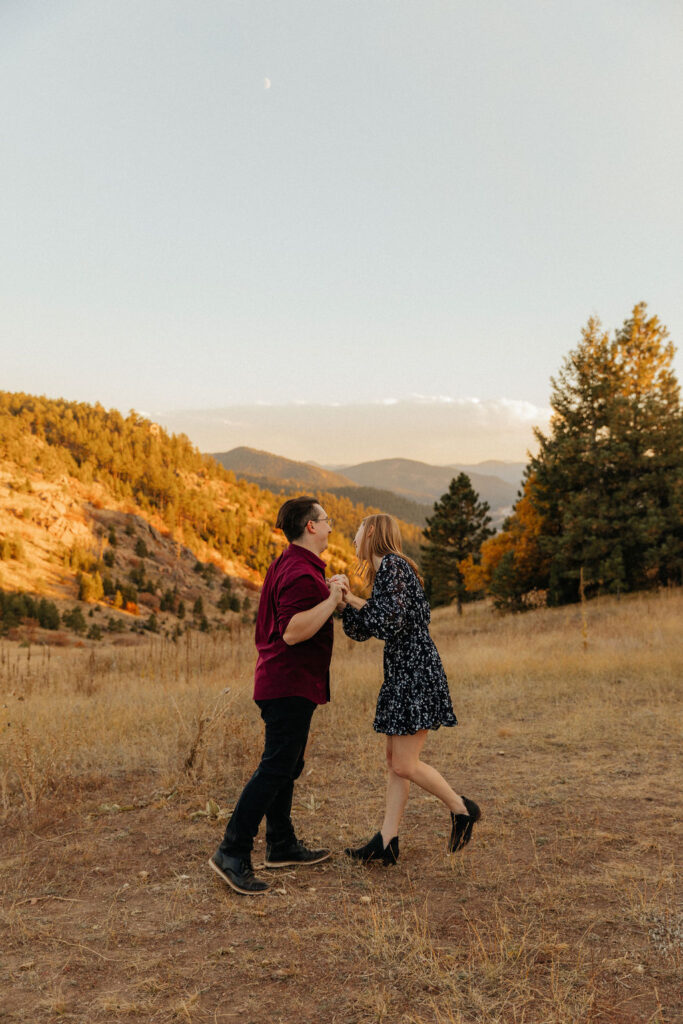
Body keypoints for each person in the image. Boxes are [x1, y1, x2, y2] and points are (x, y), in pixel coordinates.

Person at [209, 496, 345, 895]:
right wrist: (332, 599)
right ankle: (231, 851)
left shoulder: (293, 564)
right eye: (326, 520)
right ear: (311, 527)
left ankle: (281, 843)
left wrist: (329, 590)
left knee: (288, 765)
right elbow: (293, 630)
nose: (331, 525)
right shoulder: (301, 573)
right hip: (287, 685)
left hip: (286, 684)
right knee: (274, 769)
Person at [336, 514, 480, 865]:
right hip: (402, 673)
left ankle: (462, 809)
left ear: (370, 531)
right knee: (394, 762)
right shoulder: (385, 571)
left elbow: (388, 621)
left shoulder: (393, 566)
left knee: (404, 763)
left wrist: (351, 600)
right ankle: (387, 841)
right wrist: (342, 603)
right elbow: (363, 629)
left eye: (356, 532)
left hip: (415, 673)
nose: (353, 539)